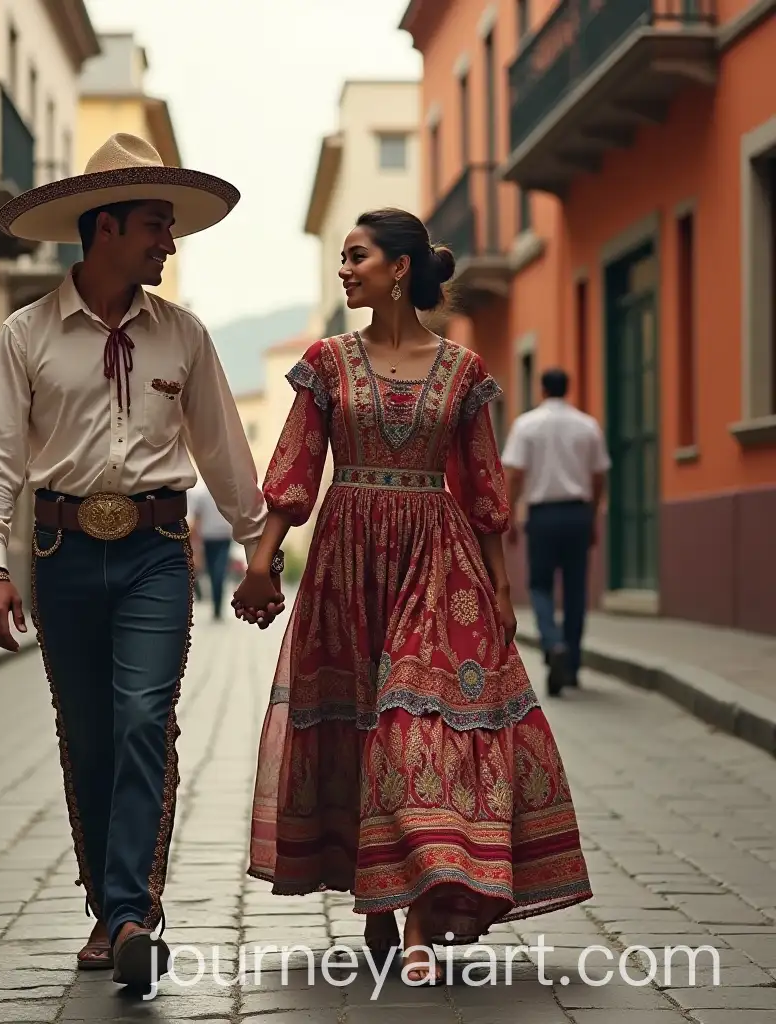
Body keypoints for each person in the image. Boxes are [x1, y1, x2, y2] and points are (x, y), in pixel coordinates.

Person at [231, 208, 593, 986]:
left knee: (413, 724)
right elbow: (294, 469)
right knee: (363, 720)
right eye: (341, 258)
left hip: (439, 559)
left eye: (355, 256)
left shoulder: (463, 371)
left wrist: (500, 586)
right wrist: (261, 562)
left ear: (399, 269)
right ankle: (380, 899)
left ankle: (423, 916)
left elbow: (486, 483)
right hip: (344, 560)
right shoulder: (326, 364)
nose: (343, 269)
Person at [0, 133, 282, 988]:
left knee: (145, 717)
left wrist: (259, 553)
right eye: (153, 225)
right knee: (90, 734)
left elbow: (223, 451)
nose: (167, 243)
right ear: (104, 228)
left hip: (156, 552)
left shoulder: (185, 336)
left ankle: (130, 910)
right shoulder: (24, 335)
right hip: (61, 551)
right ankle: (112, 907)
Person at [500, 368, 611, 695]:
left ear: (542, 390)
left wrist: (509, 516)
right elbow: (599, 477)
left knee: (540, 584)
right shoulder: (588, 426)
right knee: (576, 589)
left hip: (543, 515)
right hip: (577, 512)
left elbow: (516, 474)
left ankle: (552, 641)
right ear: (568, 388)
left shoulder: (526, 424)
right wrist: (591, 517)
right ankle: (573, 664)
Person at [189, 479, 234, 620]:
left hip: (222, 538)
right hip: (209, 538)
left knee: (218, 572)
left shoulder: (226, 495)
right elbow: (197, 519)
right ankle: (216, 606)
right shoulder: (203, 496)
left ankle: (217, 608)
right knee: (213, 572)